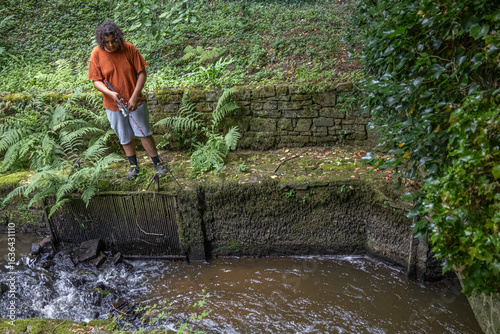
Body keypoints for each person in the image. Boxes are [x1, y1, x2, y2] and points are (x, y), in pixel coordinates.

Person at [88, 21, 167, 180]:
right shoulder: (96, 53)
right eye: (106, 43)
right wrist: (109, 93)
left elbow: (142, 73)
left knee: (144, 133)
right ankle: (133, 165)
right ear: (101, 41)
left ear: (118, 38)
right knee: (124, 135)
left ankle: (158, 163)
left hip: (135, 102)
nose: (110, 45)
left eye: (113, 41)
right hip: (113, 104)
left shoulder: (129, 48)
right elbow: (96, 80)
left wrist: (134, 96)